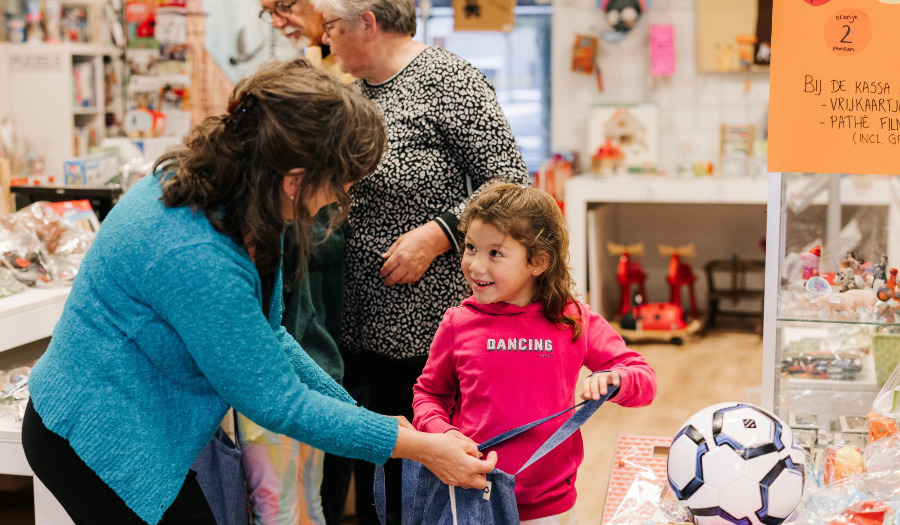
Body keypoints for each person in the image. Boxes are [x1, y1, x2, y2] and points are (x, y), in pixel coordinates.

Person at [20, 59, 497, 525]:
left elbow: (271, 336)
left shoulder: (253, 199)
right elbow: (279, 401)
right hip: (90, 432)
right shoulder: (194, 249)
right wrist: (418, 448)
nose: (341, 197)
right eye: (343, 183)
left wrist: (359, 414)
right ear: (294, 181)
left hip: (142, 422)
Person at [308, 0, 530, 521]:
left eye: (332, 27)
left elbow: (512, 183)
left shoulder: (451, 80)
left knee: (421, 479)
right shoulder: (351, 92)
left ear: (368, 23)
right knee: (373, 470)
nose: (325, 40)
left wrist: (439, 235)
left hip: (426, 334)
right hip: (353, 324)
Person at [412, 183, 658, 524]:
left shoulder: (571, 318)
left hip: (548, 506)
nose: (475, 265)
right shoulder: (458, 323)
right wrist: (444, 435)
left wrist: (616, 378)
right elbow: (428, 395)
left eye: (495, 253)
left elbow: (643, 379)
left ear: (538, 261)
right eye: (471, 247)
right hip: (471, 495)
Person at [245, 3, 357, 525]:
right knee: (288, 503)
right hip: (292, 375)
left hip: (307, 362)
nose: (278, 20)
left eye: (283, 6)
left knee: (295, 502)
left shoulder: (295, 213)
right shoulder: (264, 223)